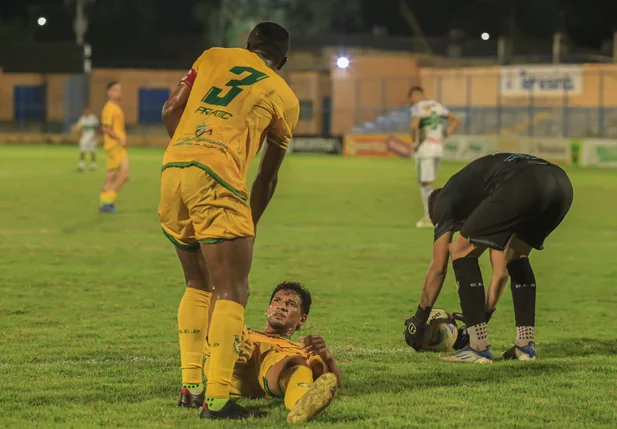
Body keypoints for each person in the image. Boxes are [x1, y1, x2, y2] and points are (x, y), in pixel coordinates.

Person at [159, 21, 300, 420]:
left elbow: (171, 109)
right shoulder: (284, 95)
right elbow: (267, 176)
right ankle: (217, 399)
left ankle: (190, 387)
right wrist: (247, 224)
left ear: (247, 44)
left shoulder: (213, 57)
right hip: (219, 175)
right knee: (232, 288)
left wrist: (190, 151)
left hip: (174, 170)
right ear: (283, 61)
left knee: (197, 281)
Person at [404, 153, 573, 363]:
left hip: (524, 182)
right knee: (516, 256)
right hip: (560, 184)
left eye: (456, 228)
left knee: (460, 250)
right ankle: (525, 347)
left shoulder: (444, 201)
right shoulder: (488, 198)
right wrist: (479, 319)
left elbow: (439, 267)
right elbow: (500, 273)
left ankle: (477, 349)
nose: (461, 230)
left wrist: (418, 322)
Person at [199, 281, 342, 423]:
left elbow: (330, 382)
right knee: (229, 319)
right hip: (236, 367)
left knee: (297, 364)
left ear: (302, 319)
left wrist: (326, 356)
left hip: (272, 373)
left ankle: (301, 404)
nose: (282, 306)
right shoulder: (245, 333)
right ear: (268, 309)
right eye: (277, 301)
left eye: (291, 304)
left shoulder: (302, 349)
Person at [408, 86, 460, 229]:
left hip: (425, 148)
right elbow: (455, 120)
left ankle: (430, 217)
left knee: (425, 183)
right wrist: (446, 133)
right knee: (430, 182)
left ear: (413, 96)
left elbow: (414, 126)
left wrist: (414, 143)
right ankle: (435, 214)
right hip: (438, 147)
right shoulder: (437, 106)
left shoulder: (417, 107)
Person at [100, 81, 129, 213]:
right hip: (114, 146)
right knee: (125, 174)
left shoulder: (116, 107)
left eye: (120, 89)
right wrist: (120, 139)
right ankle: (108, 201)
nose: (119, 92)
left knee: (111, 176)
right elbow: (105, 128)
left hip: (115, 146)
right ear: (109, 92)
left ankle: (104, 204)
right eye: (116, 90)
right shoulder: (109, 108)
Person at [72, 107, 99, 171]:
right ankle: (81, 166)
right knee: (82, 151)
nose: (86, 112)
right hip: (85, 137)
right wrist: (74, 129)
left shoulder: (93, 118)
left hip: (92, 137)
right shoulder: (82, 119)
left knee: (92, 152)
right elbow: (79, 127)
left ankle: (93, 166)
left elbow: (96, 127)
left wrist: (96, 136)